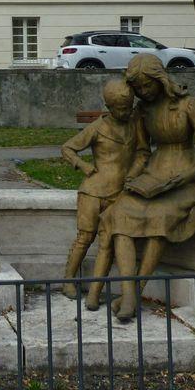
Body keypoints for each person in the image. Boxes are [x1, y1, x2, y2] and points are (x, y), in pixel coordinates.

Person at [97, 54, 195, 321]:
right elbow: (143, 151)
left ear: (160, 79)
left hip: (187, 179)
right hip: (153, 177)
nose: (144, 92)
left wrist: (191, 173)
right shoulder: (142, 111)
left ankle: (134, 294)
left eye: (147, 85)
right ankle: (129, 293)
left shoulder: (189, 104)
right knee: (119, 214)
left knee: (160, 217)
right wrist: (132, 177)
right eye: (138, 88)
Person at [59, 79, 148, 300]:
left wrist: (133, 173)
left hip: (119, 193)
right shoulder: (97, 128)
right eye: (121, 109)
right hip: (92, 191)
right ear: (109, 107)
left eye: (128, 108)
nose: (126, 112)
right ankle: (68, 280)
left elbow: (142, 153)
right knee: (85, 238)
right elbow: (68, 148)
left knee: (107, 241)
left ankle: (95, 291)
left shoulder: (134, 125)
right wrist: (83, 166)